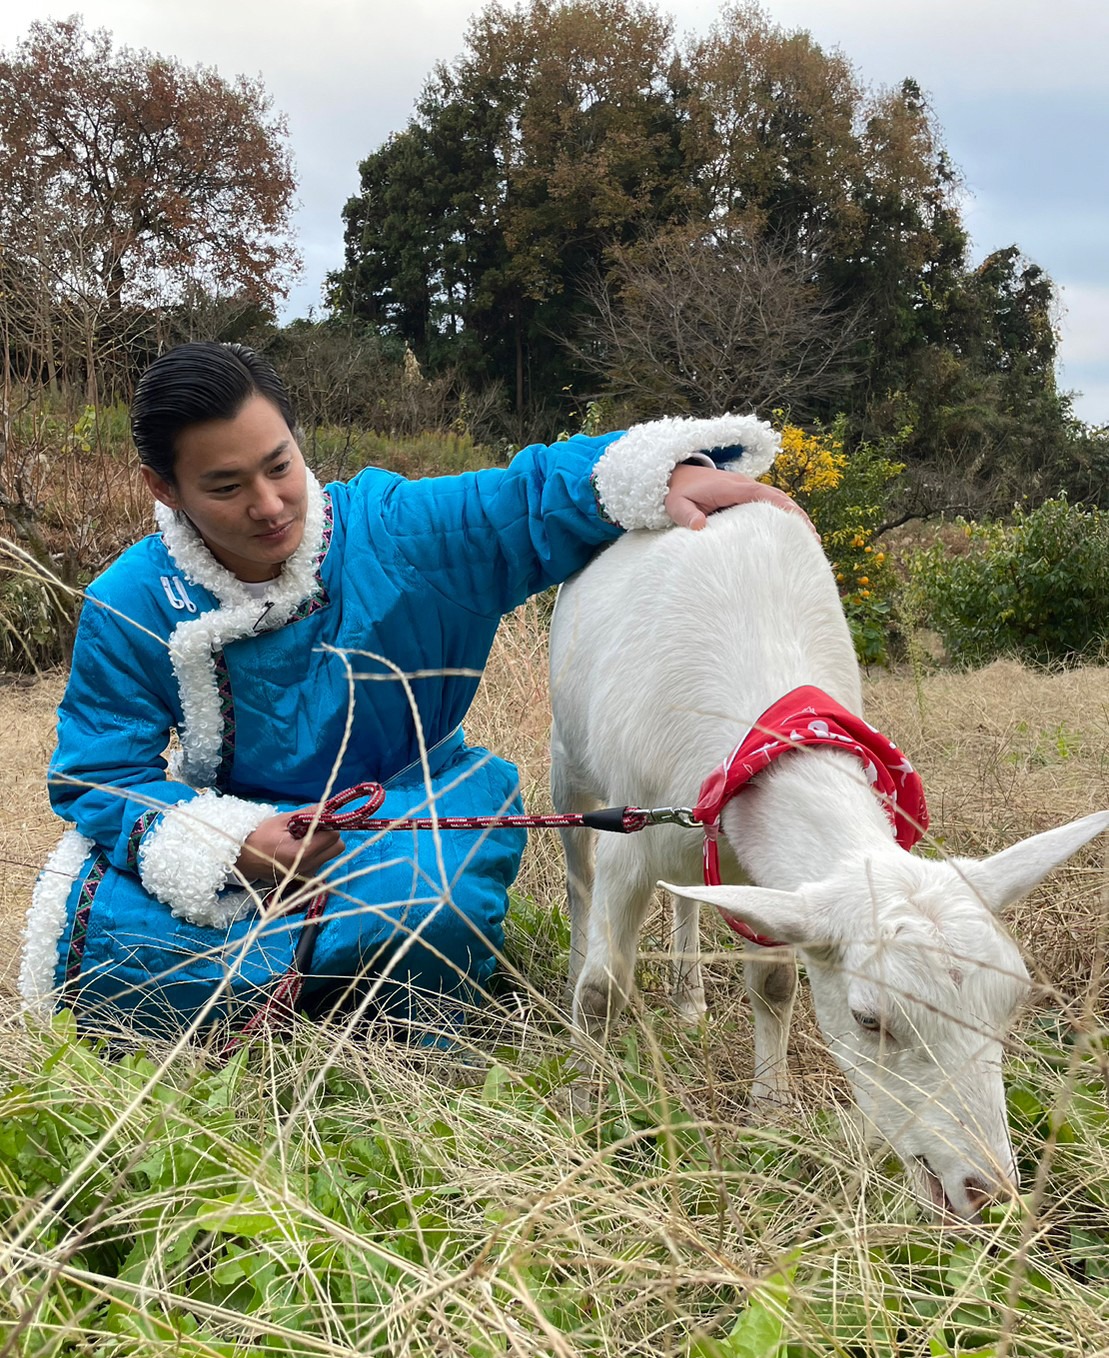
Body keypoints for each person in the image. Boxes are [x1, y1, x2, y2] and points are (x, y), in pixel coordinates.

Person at [18, 341, 805, 1048]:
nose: (269, 504)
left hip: (407, 808)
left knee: (431, 899)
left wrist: (659, 474)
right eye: (226, 485)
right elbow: (97, 772)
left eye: (280, 464)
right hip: (241, 835)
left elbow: (520, 501)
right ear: (165, 486)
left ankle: (351, 1000)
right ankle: (324, 987)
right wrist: (236, 844)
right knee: (105, 949)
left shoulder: (391, 532)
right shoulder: (130, 598)